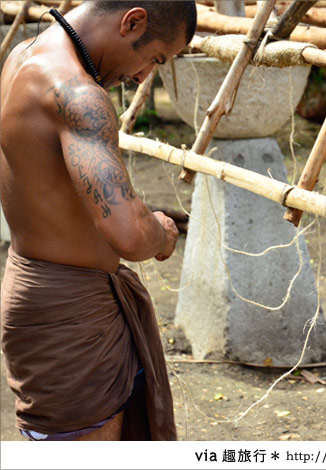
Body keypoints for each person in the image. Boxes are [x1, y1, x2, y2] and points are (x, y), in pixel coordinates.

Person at [0, 1, 197, 440]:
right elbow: (127, 233)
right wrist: (162, 235)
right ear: (133, 21)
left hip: (44, 295)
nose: (145, 75)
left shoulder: (20, 56)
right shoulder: (77, 93)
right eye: (154, 58)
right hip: (70, 314)